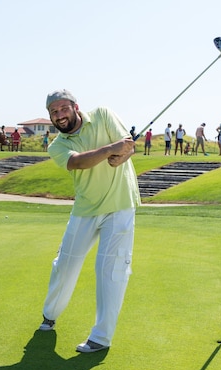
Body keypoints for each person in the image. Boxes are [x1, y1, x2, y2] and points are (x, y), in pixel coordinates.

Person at [38, 89, 141, 353]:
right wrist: (111, 150)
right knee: (65, 265)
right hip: (85, 209)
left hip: (120, 205)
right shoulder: (57, 145)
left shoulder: (103, 115)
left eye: (63, 109)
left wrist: (124, 153)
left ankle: (101, 337)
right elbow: (80, 162)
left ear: (75, 106)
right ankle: (50, 314)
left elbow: (127, 145)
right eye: (54, 112)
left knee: (111, 271)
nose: (59, 116)